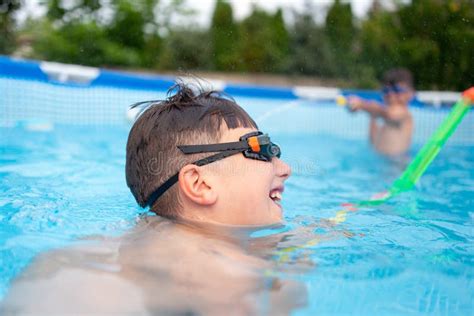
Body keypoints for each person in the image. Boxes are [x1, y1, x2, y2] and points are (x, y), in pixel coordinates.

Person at [1, 82, 309, 315]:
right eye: (260, 149)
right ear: (199, 184)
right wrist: (290, 273)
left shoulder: (127, 238)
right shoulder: (227, 278)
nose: (284, 168)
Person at [348, 68, 415, 156]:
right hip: (382, 163)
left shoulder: (405, 114)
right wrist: (372, 116)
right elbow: (373, 143)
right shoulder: (385, 121)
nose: (391, 95)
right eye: (386, 91)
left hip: (399, 166)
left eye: (397, 90)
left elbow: (390, 114)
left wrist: (362, 104)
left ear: (410, 94)